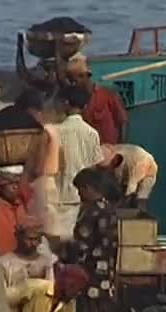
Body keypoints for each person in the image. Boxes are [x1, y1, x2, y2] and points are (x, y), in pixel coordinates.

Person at [0, 220, 88, 312]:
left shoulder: (49, 262)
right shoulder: (4, 263)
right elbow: (2, 298)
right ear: (18, 237)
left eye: (36, 239)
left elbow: (55, 293)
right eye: (29, 239)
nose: (32, 243)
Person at [72, 168, 121, 312]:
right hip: (107, 275)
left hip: (91, 275)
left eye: (80, 190)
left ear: (89, 188)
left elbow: (81, 246)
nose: (79, 195)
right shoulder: (109, 210)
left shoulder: (91, 212)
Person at [55, 86, 105, 240]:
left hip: (60, 198)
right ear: (84, 106)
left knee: (60, 244)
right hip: (84, 198)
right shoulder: (92, 133)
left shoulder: (55, 132)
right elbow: (96, 166)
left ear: (65, 104)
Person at [14, 89, 63, 241]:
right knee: (51, 226)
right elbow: (62, 160)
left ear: (32, 110)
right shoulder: (53, 129)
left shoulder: (40, 133)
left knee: (39, 228)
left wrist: (24, 180)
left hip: (40, 183)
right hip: (52, 181)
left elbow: (37, 166)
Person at [68, 56, 127, 145]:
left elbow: (123, 122)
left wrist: (119, 147)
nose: (73, 84)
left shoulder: (107, 95)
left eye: (74, 81)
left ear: (84, 76)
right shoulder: (74, 101)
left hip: (110, 151)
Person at [100, 143, 158, 210]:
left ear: (114, 160)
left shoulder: (139, 164)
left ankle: (140, 216)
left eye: (108, 166)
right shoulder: (110, 151)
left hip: (147, 172)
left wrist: (118, 205)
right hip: (128, 166)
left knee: (140, 198)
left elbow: (130, 190)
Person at [0, 171, 31, 257]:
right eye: (10, 184)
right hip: (2, 260)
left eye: (16, 183)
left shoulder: (22, 203)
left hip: (23, 259)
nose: (15, 187)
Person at [15, 32, 70, 98]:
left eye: (51, 71)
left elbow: (60, 70)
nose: (47, 74)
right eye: (46, 70)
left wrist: (57, 44)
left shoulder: (62, 84)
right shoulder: (41, 85)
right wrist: (20, 46)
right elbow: (22, 71)